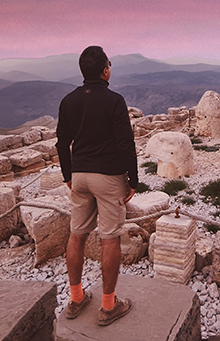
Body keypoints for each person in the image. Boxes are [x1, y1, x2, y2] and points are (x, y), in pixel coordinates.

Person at [56, 46, 138, 326]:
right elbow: (125, 142)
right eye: (109, 65)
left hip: (79, 175)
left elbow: (61, 142)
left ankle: (76, 298)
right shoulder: (114, 101)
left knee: (76, 235)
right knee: (109, 237)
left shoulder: (68, 101)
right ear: (105, 70)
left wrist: (68, 175)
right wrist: (133, 180)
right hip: (108, 176)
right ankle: (108, 305)